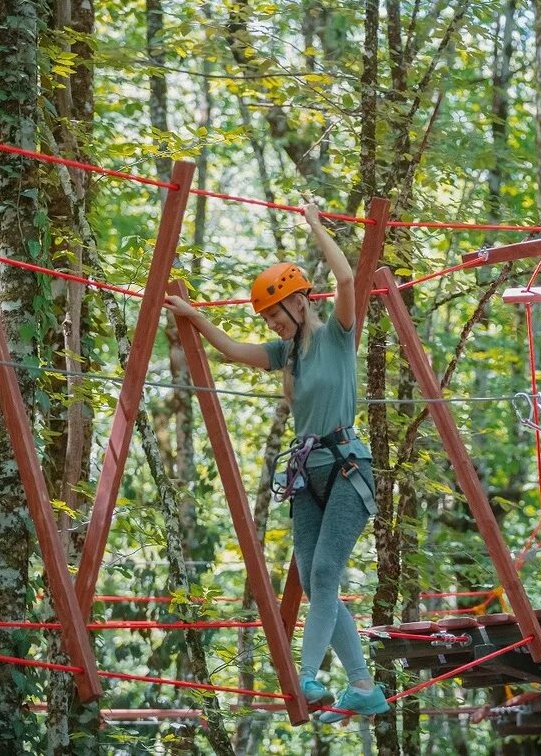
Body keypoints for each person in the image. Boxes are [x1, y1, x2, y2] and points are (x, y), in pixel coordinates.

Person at [165, 202, 388, 723]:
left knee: (328, 570)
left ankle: (305, 675)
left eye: (274, 313)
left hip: (348, 467)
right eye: (266, 318)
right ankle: (362, 686)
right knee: (314, 581)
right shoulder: (285, 354)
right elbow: (233, 350)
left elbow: (347, 276)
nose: (270, 323)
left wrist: (315, 225)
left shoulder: (338, 334)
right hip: (308, 473)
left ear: (299, 303)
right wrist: (196, 317)